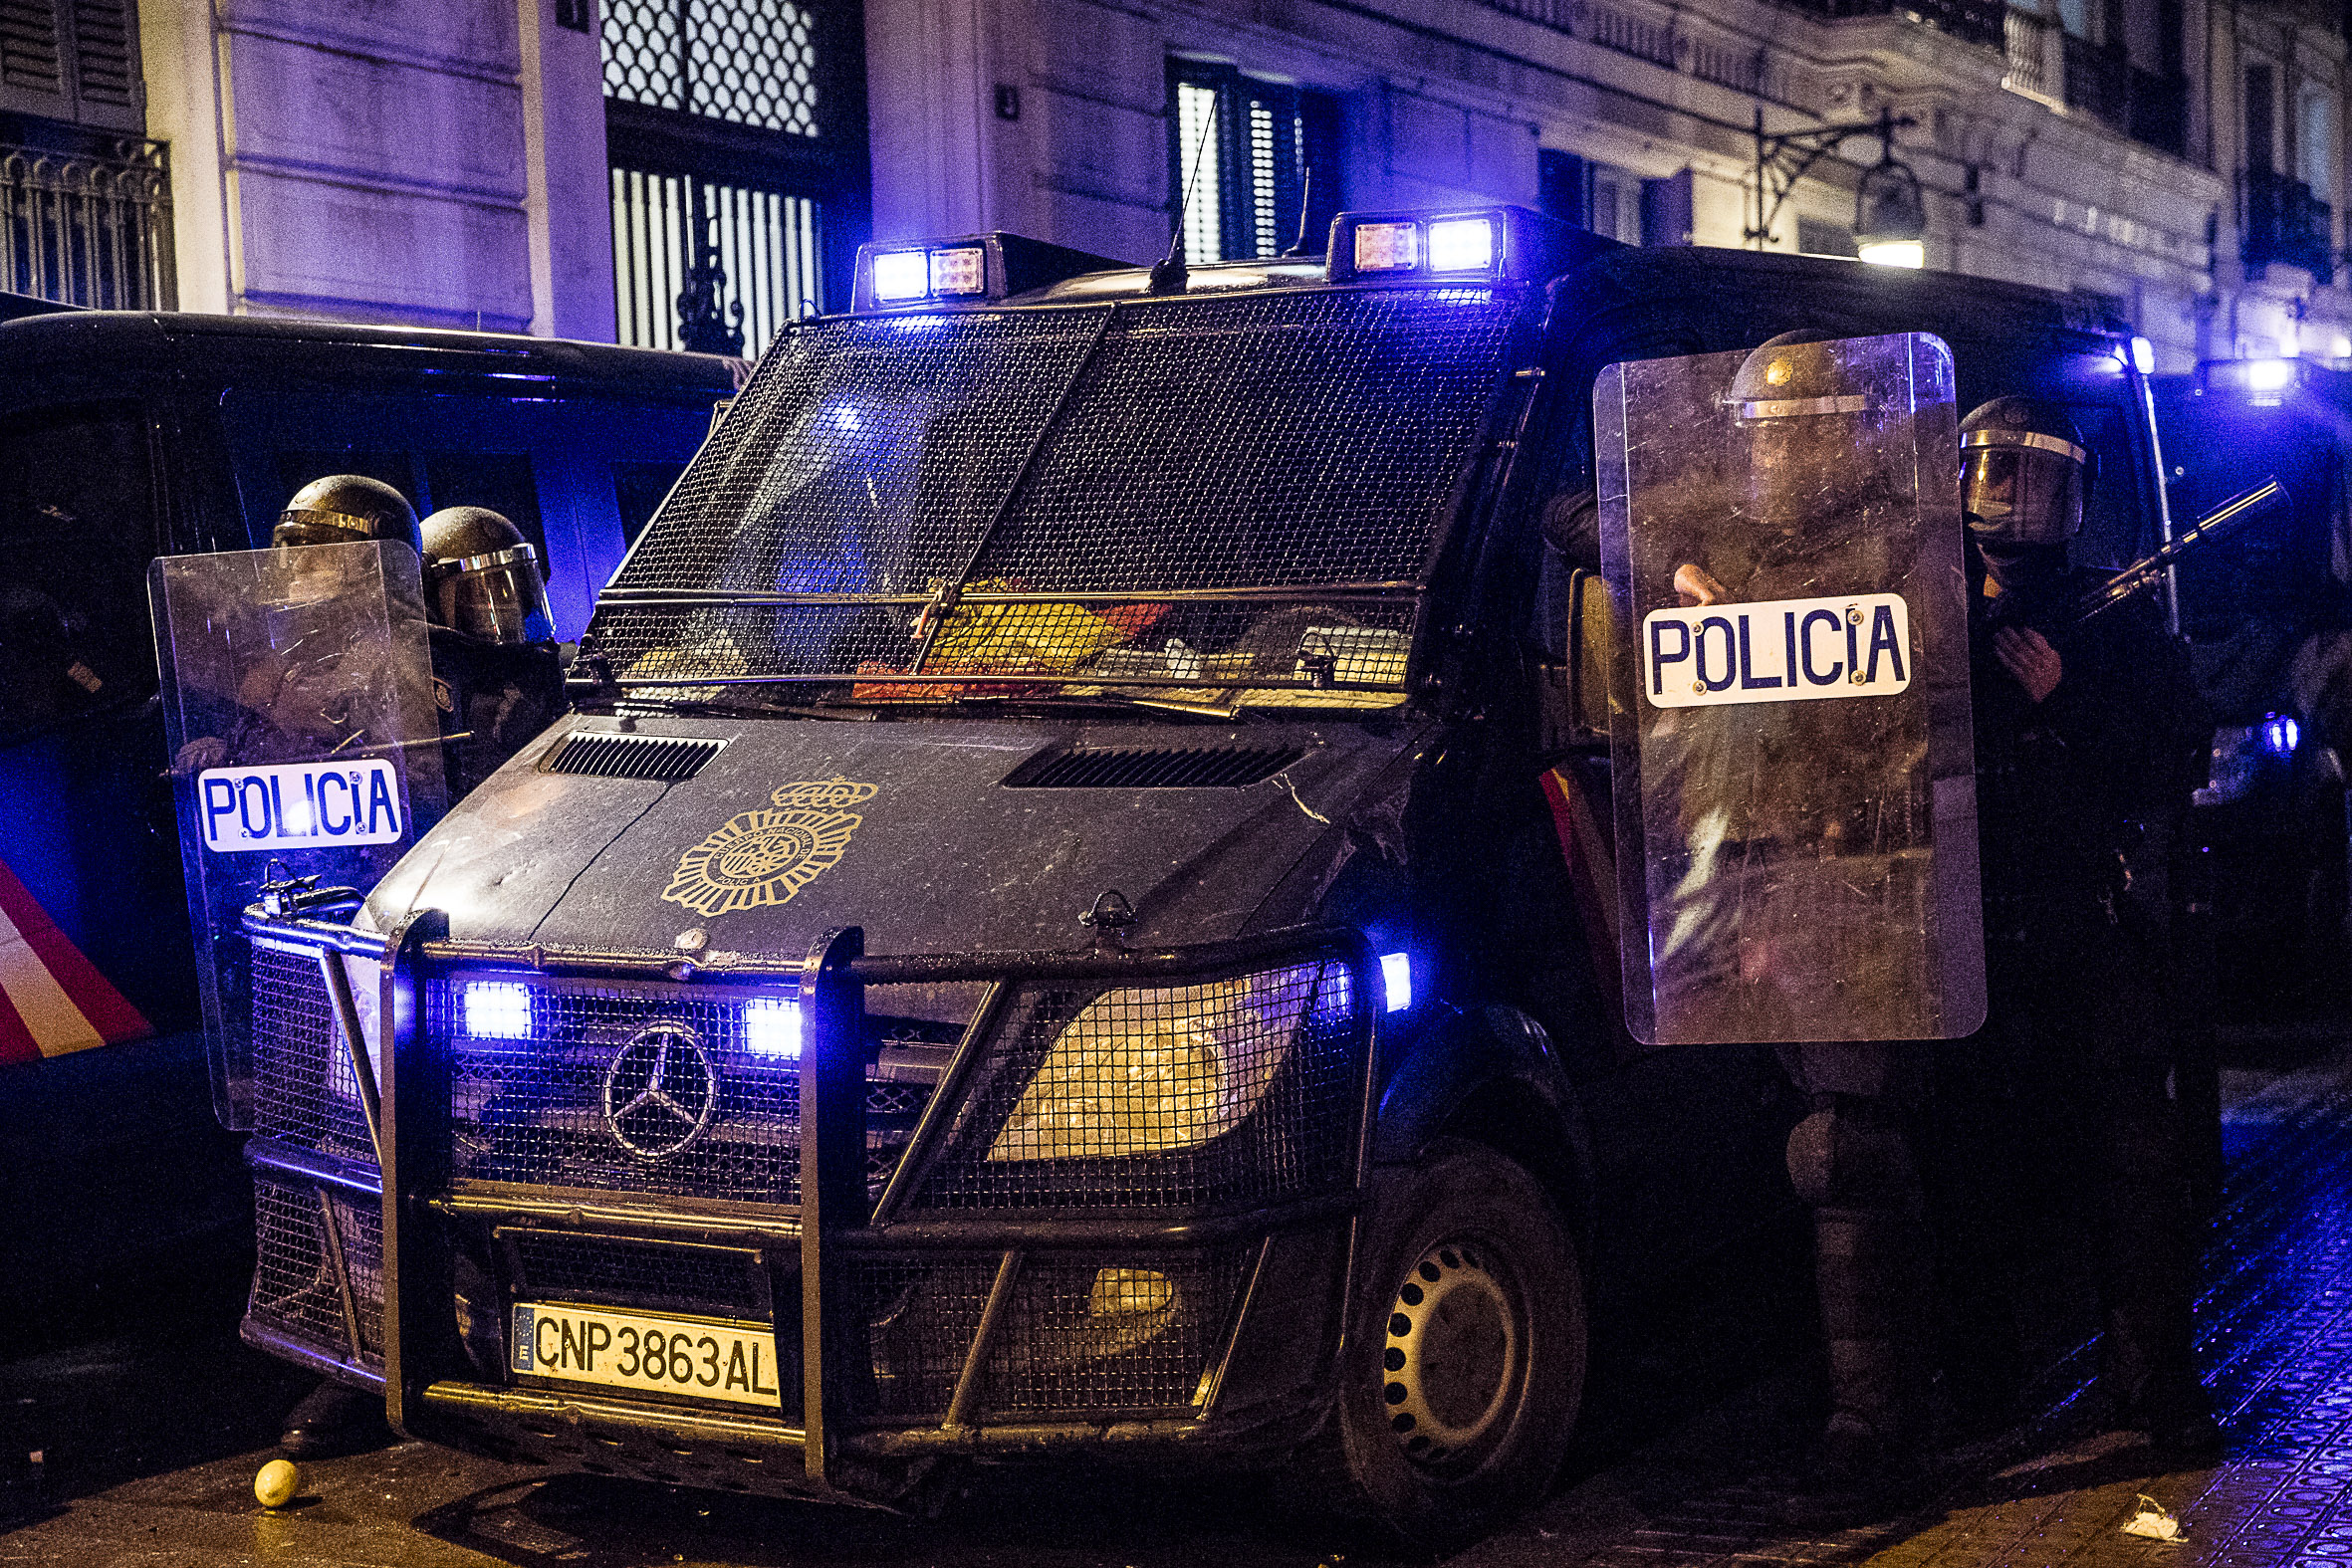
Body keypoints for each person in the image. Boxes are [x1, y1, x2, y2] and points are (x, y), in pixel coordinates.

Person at [1955, 394, 2218, 1451]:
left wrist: (2069, 698)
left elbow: (2174, 758)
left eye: (2034, 479)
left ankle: (2150, 1382)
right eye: (1991, 473)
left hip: (2080, 920)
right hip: (1963, 932)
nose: (2008, 499)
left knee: (2134, 1162)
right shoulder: (1924, 617)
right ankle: (1977, 1389)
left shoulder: (2118, 620)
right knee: (1969, 1168)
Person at [417, 506, 566, 794]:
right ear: (433, 598)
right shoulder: (425, 684)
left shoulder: (551, 665)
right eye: (483, 595)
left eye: (512, 590)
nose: (507, 608)